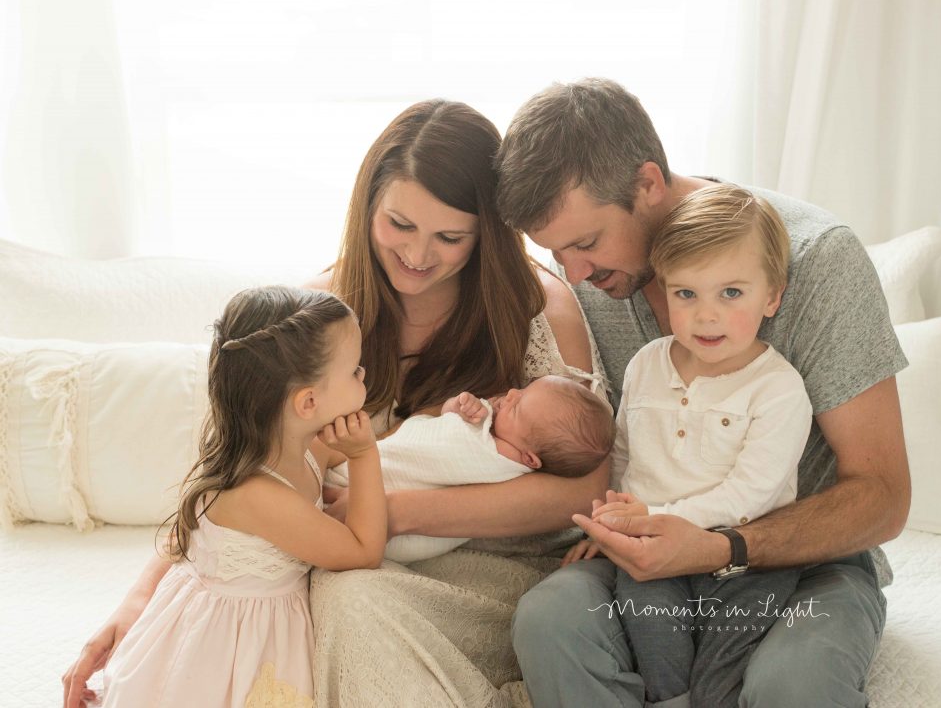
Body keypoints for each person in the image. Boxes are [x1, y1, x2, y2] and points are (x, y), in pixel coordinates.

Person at [62, 100, 605, 708]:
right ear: (366, 205)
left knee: (346, 594)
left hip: (487, 564)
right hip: (335, 565)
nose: (419, 255)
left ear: (488, 237)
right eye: (399, 225)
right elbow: (233, 472)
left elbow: (583, 489)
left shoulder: (534, 309)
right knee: (322, 596)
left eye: (450, 237)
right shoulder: (315, 318)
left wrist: (394, 513)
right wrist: (139, 601)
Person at [497, 78, 910, 707]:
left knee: (790, 688)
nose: (574, 273)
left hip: (802, 567)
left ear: (649, 184)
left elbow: (883, 496)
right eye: (557, 252)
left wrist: (722, 546)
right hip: (648, 555)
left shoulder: (817, 261)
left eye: (585, 243)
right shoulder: (589, 285)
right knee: (550, 621)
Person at [562, 184, 812, 706]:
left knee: (726, 663)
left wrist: (652, 515)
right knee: (653, 638)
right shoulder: (646, 364)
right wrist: (611, 524)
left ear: (773, 295)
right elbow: (625, 459)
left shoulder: (779, 388)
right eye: (686, 294)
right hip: (650, 553)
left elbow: (752, 496)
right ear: (666, 290)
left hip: (744, 564)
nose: (706, 316)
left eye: (731, 293)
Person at [98, 286, 387, 708]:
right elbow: (364, 550)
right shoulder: (257, 496)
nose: (364, 378)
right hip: (229, 647)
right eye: (355, 372)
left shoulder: (302, 447)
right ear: (308, 402)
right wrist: (364, 455)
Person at [328, 374, 615, 563]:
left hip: (395, 522)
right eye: (522, 390)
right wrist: (459, 408)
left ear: (529, 460)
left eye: (516, 408)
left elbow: (448, 445)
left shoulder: (502, 460)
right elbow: (442, 426)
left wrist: (465, 420)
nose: (511, 394)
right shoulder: (497, 429)